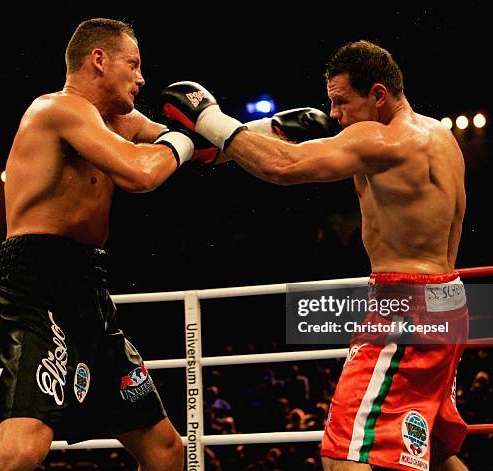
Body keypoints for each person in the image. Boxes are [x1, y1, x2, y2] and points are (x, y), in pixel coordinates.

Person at [159, 40, 469, 470]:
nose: (336, 114)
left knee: (343, 454)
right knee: (433, 451)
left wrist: (208, 119)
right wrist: (243, 142)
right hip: (448, 303)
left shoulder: (380, 138)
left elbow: (282, 168)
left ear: (378, 95)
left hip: (405, 308)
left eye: (343, 102)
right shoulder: (440, 135)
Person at [0, 18, 204, 471]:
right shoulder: (57, 109)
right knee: (21, 451)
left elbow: (200, 144)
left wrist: (260, 132)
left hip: (88, 284)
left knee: (166, 451)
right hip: (35, 280)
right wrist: (184, 138)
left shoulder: (118, 121)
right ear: (99, 60)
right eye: (134, 64)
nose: (143, 79)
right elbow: (143, 173)